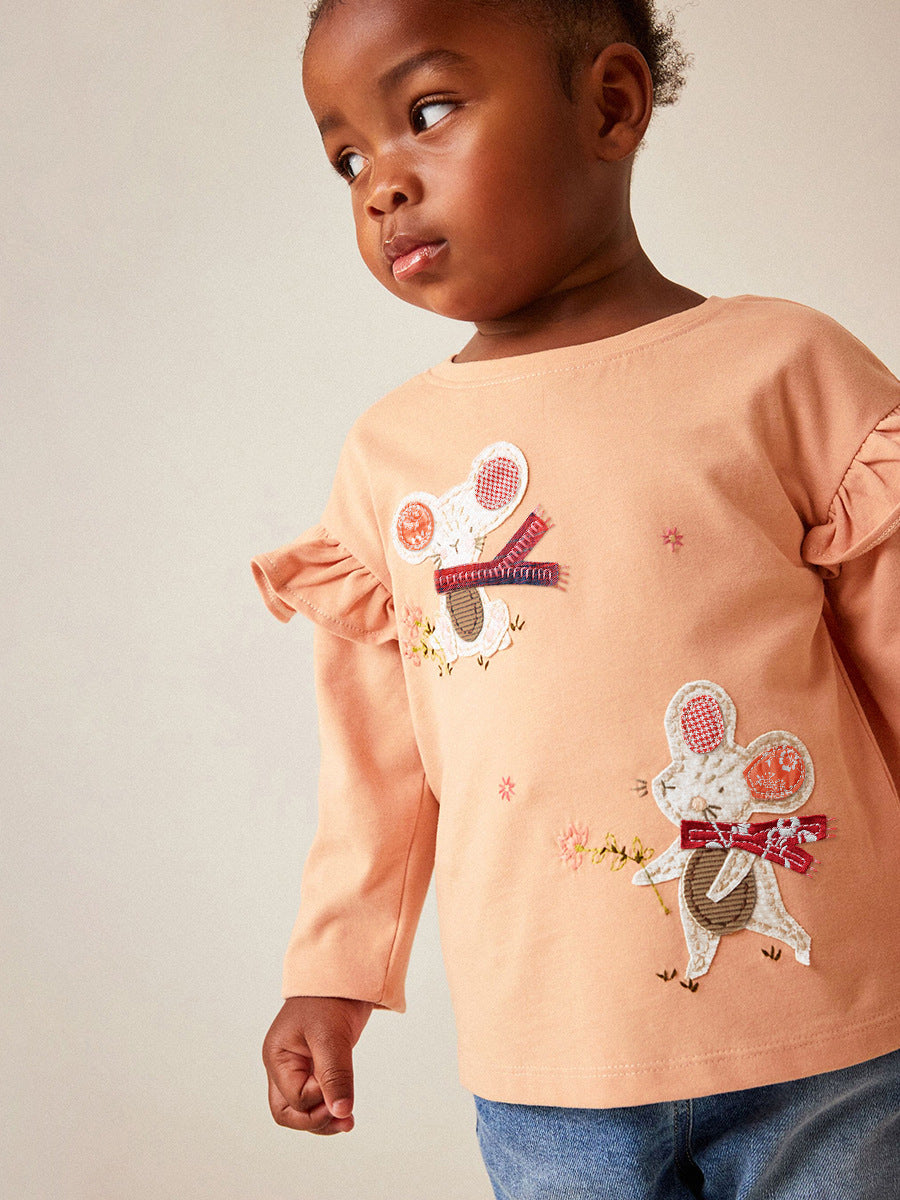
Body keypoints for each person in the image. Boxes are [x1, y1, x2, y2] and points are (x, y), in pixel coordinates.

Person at [252, 0, 900, 1195]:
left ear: (610, 103)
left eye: (427, 111)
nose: (381, 184)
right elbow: (377, 766)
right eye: (346, 158)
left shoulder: (787, 368)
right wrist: (333, 974)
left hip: (837, 1037)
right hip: (551, 1064)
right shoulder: (390, 458)